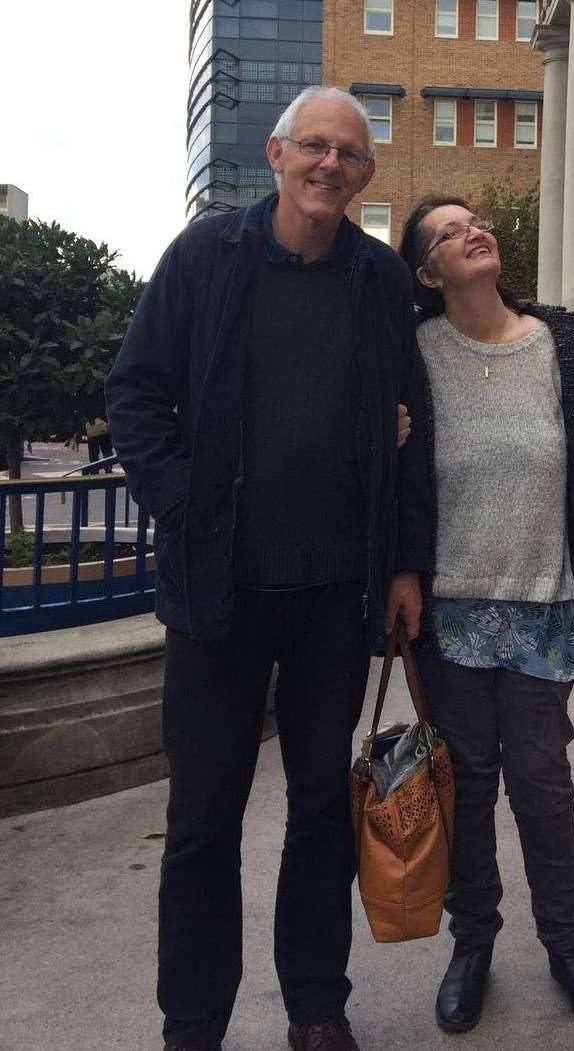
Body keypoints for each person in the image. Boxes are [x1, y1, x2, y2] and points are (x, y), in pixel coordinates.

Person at [106, 87, 430, 1051]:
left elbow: (410, 431)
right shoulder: (208, 256)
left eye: (351, 153)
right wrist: (183, 502)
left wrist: (406, 562)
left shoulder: (379, 280)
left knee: (321, 804)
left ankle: (316, 1005)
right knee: (203, 817)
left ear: (367, 174)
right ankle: (194, 1021)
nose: (331, 164)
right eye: (315, 147)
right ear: (278, 153)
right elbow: (134, 393)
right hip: (219, 593)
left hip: (338, 592)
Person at [397, 196, 574, 1035]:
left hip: (542, 601)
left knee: (543, 784)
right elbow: (398, 474)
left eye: (475, 221)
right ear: (428, 272)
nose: (472, 232)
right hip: (450, 608)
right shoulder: (415, 354)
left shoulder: (559, 341)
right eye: (449, 232)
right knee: (467, 787)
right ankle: (473, 944)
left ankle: (567, 946)